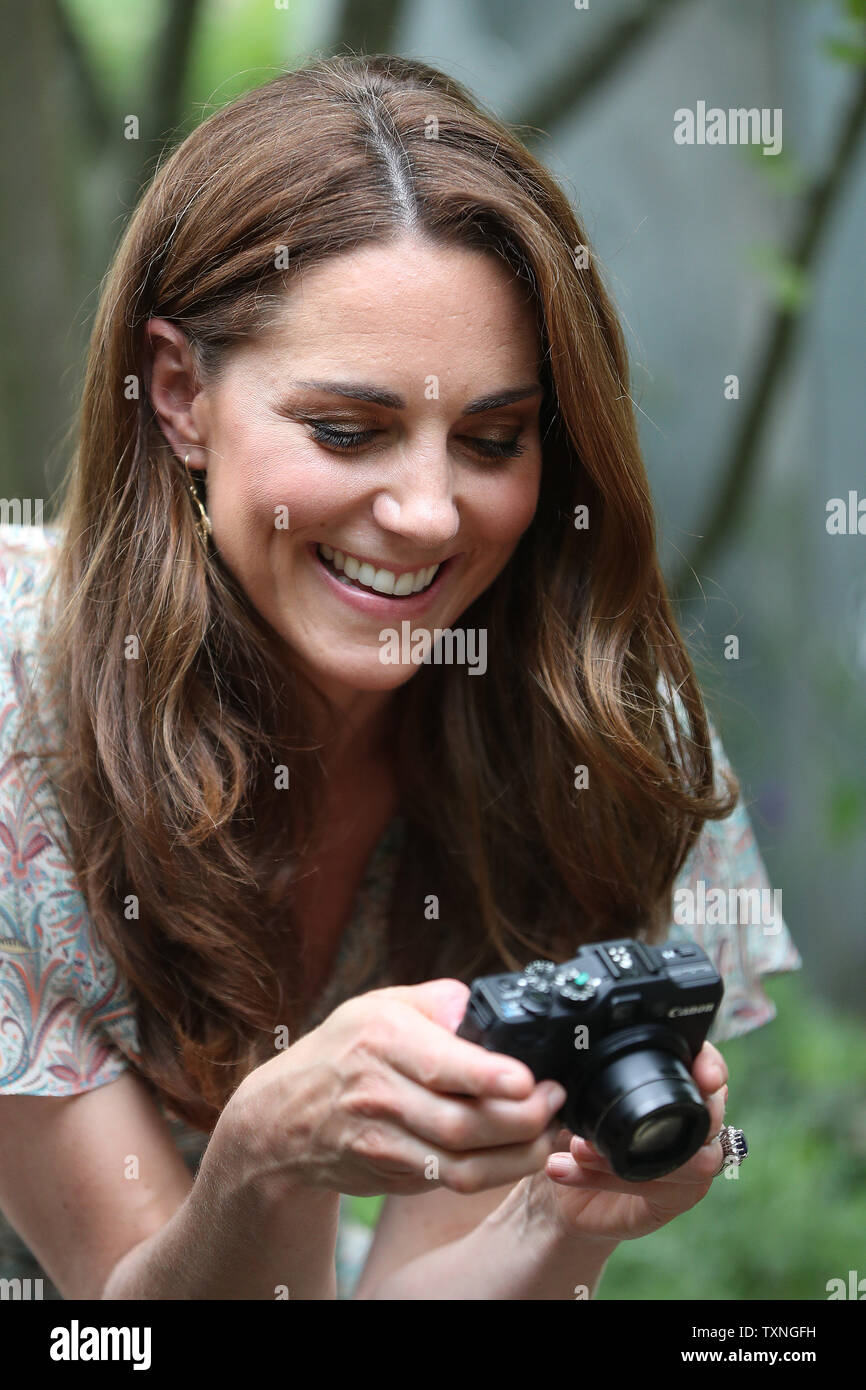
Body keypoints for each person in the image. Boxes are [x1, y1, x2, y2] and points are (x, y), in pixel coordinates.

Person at [0, 54, 801, 1301]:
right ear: (178, 396)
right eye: (346, 430)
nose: (428, 514)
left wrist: (557, 1220)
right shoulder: (15, 704)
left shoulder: (609, 750)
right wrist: (269, 1154)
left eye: (491, 440)